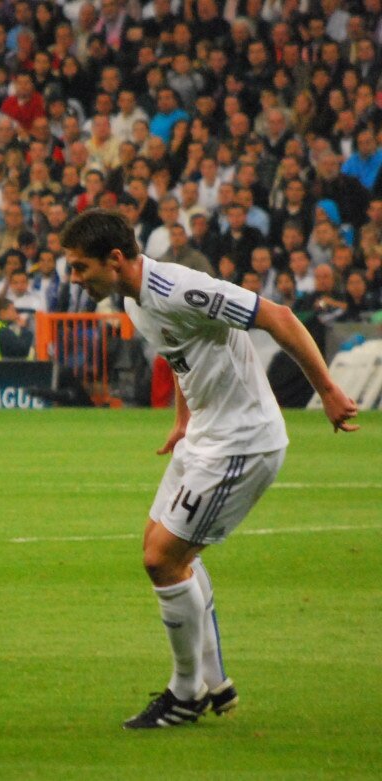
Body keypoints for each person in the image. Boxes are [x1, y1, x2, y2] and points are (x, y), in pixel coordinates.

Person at [60, 209, 358, 729]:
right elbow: (183, 356)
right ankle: (213, 680)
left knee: (163, 558)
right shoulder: (132, 299)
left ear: (115, 259)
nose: (74, 278)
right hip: (205, 434)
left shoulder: (180, 288)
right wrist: (183, 419)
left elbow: (280, 317)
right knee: (163, 546)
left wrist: (328, 391)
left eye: (81, 267)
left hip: (242, 441)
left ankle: (185, 693)